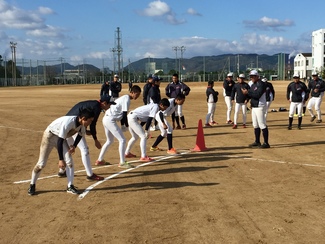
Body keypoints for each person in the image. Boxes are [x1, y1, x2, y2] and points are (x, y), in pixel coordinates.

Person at [28, 108, 95, 196]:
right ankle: (32, 184)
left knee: (70, 161)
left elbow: (80, 135)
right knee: (41, 164)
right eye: (90, 121)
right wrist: (61, 159)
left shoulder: (82, 125)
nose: (90, 123)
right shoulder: (68, 123)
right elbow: (59, 141)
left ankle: (70, 186)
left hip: (60, 138)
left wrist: (74, 146)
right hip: (49, 137)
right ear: (83, 118)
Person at [57, 94, 116, 181]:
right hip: (73, 126)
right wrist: (95, 139)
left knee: (70, 149)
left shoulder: (93, 104)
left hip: (67, 126)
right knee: (85, 149)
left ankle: (62, 171)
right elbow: (92, 124)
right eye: (109, 104)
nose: (110, 106)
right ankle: (90, 175)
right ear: (104, 103)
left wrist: (85, 130)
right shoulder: (96, 107)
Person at [95, 85, 141, 169]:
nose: (137, 96)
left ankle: (100, 160)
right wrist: (125, 125)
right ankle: (122, 162)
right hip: (110, 120)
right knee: (122, 140)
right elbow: (124, 114)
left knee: (110, 140)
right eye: (136, 94)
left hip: (106, 118)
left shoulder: (124, 98)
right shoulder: (126, 99)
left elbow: (123, 114)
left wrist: (123, 124)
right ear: (132, 92)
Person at [242, 70, 270, 148]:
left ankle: (266, 143)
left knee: (262, 124)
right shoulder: (253, 84)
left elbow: (257, 95)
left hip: (260, 106)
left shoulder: (261, 84)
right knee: (255, 124)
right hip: (254, 106)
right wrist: (247, 98)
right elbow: (251, 94)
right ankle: (257, 141)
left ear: (257, 76)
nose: (251, 78)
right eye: (251, 76)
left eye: (253, 76)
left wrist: (247, 93)